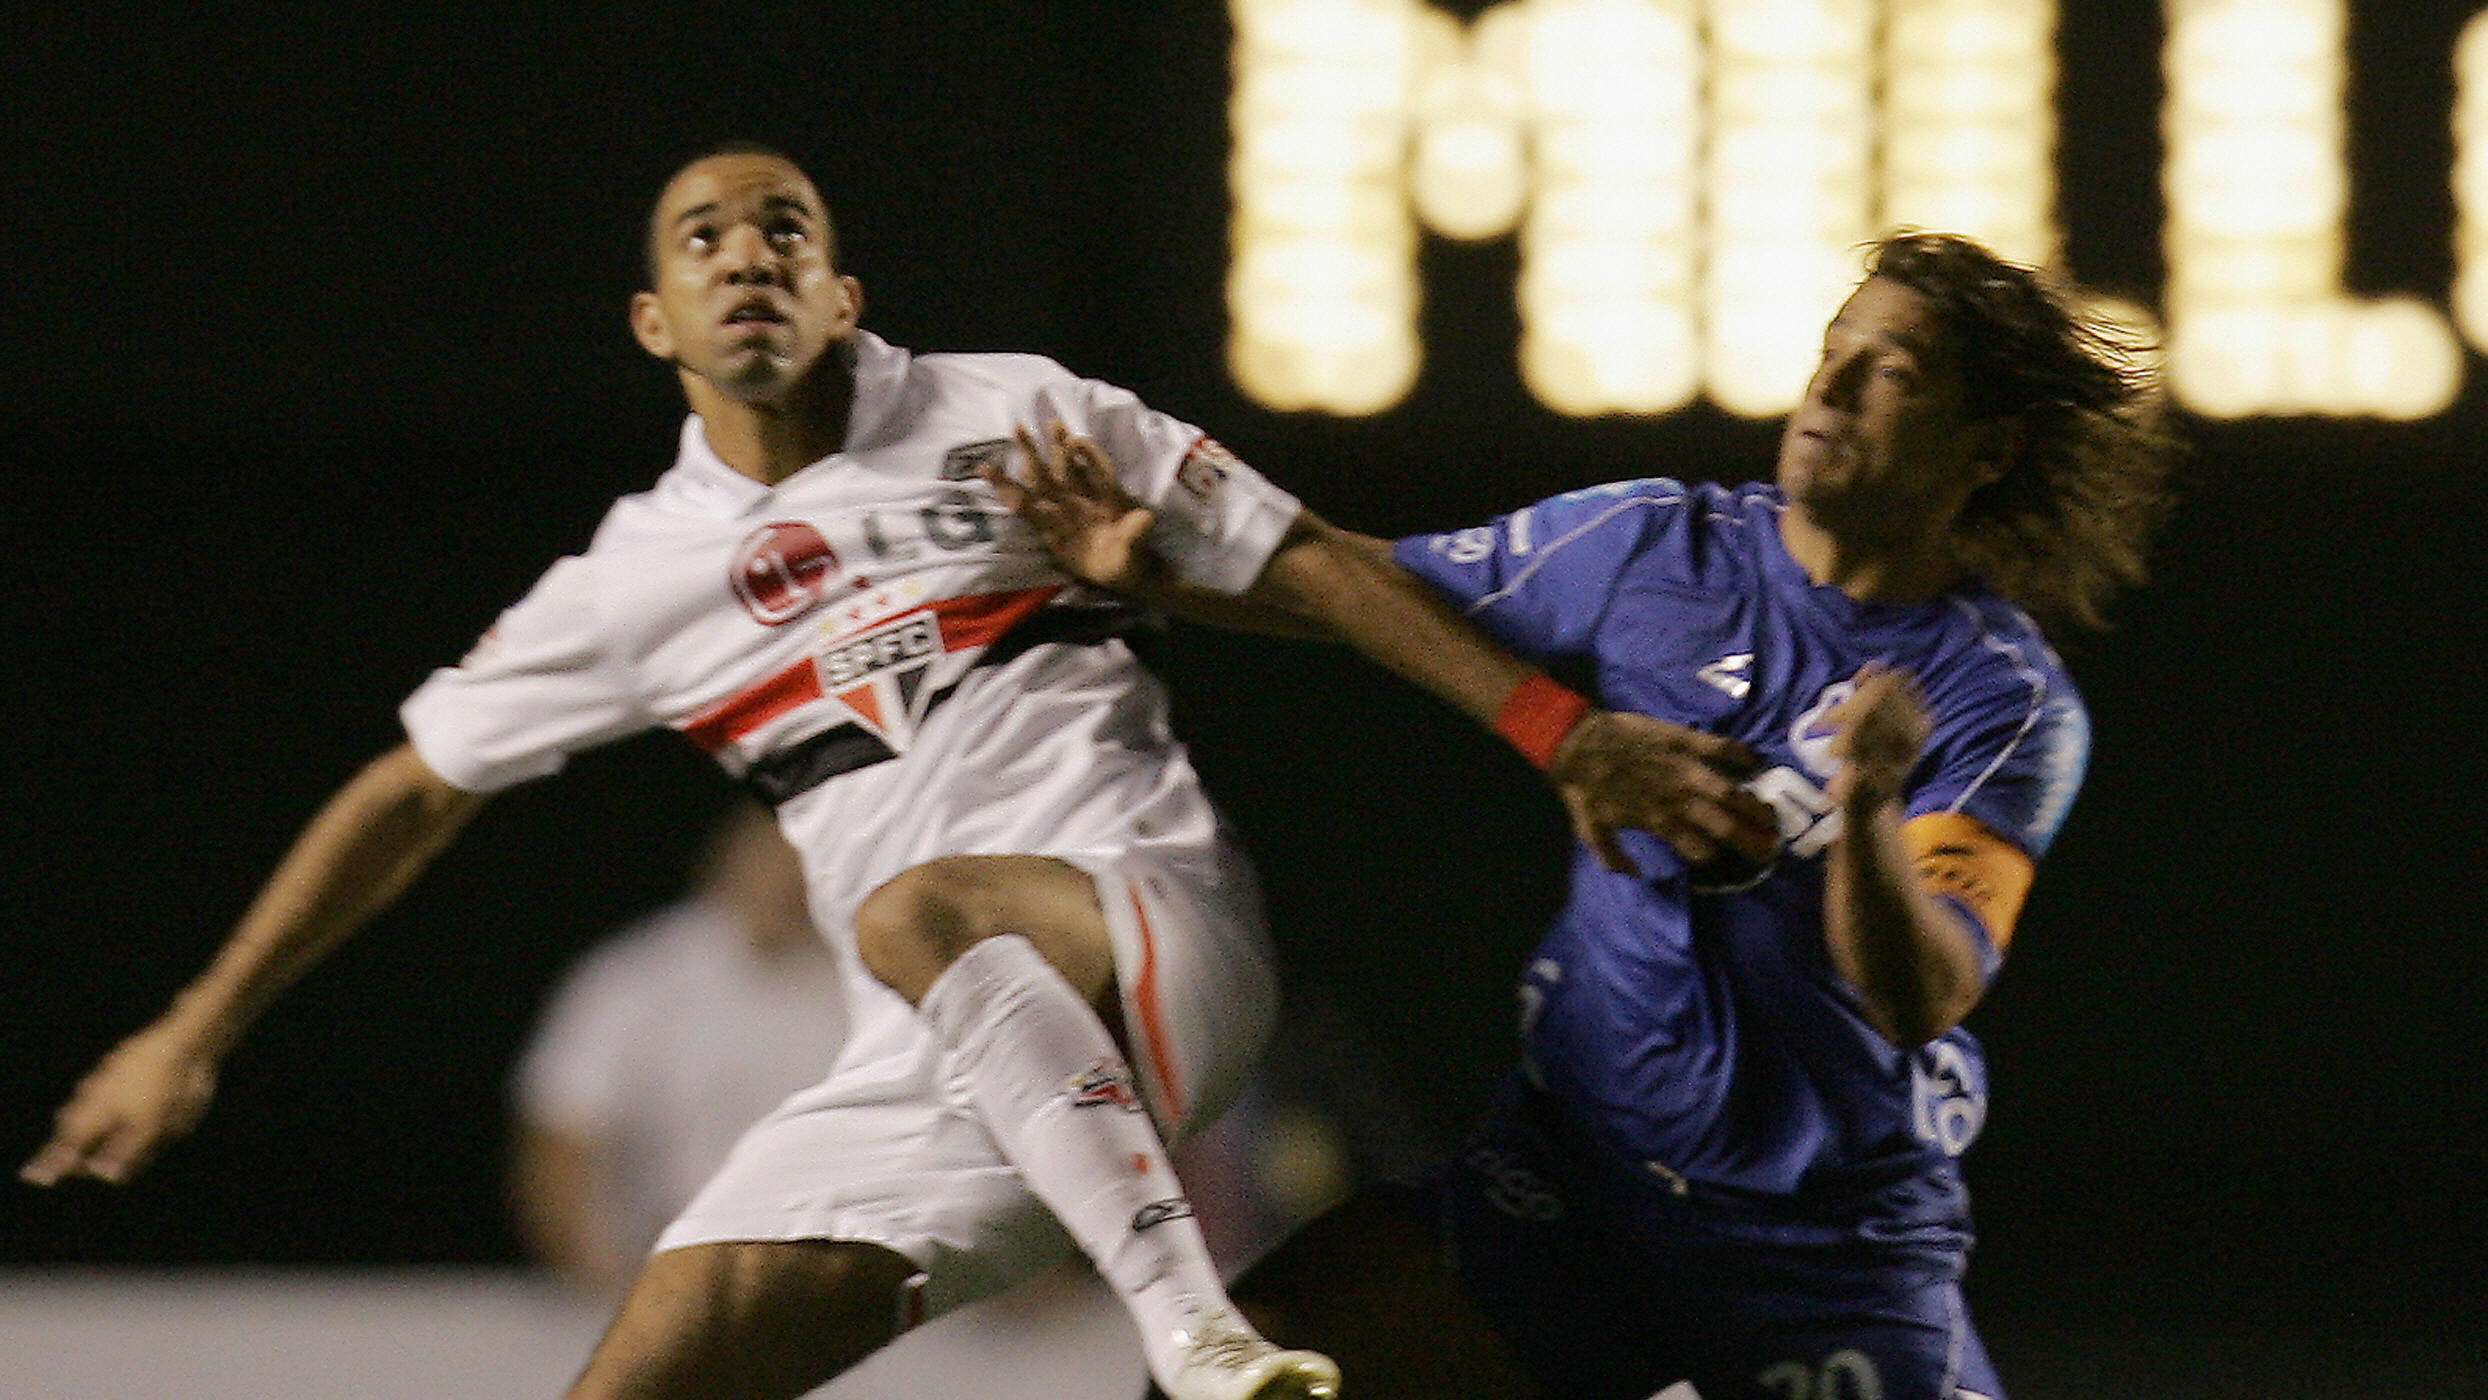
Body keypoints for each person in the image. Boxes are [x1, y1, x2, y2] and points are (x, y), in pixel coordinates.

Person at [20, 142, 1546, 1400]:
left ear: (843, 293)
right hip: (937, 1052)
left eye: (785, 232)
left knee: (915, 907)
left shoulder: (1015, 414)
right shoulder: (634, 578)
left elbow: (1320, 569)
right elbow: (411, 793)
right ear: (652, 321)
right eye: (706, 238)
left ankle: (1193, 1325)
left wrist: (1560, 726)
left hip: (1152, 924)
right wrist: (194, 1026)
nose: (748, 255)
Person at [995, 233, 2180, 1399]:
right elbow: (1370, 591)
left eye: (1894, 374)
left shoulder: (2001, 701)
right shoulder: (1653, 546)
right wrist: (1156, 574)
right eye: (1835, 350)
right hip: (1568, 1190)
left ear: (1986, 450)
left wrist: (1869, 801)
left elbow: (1917, 991)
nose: (1832, 385)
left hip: (1819, 1247)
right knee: (1243, 1362)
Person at [508, 803, 844, 1298]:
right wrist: (599, 1283)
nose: (789, 878)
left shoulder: (877, 978)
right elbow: (562, 1139)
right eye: (774, 855)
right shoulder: (638, 980)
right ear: (729, 858)